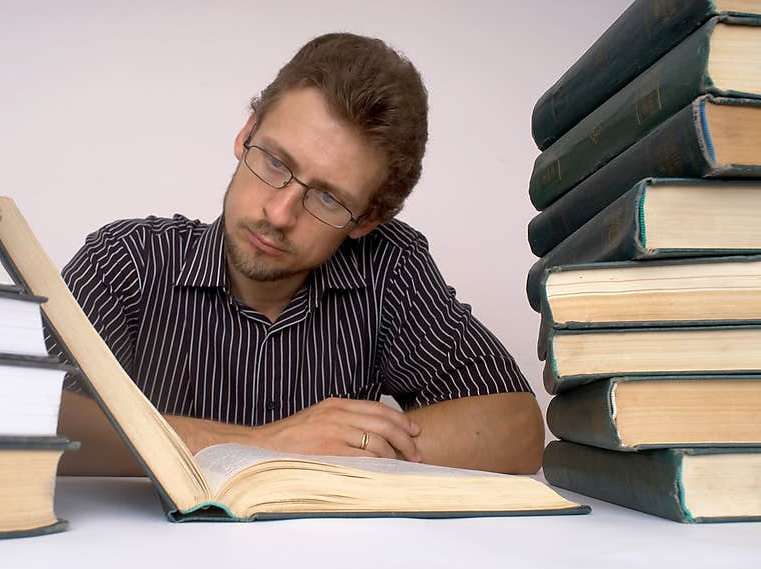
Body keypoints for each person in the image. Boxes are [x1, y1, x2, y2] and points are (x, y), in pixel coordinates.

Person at [49, 32, 544, 476]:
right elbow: (26, 415)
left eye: (328, 198)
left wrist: (338, 445)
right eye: (275, 161)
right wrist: (266, 446)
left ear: (368, 219)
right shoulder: (124, 260)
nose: (281, 212)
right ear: (246, 135)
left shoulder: (389, 267)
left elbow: (515, 428)